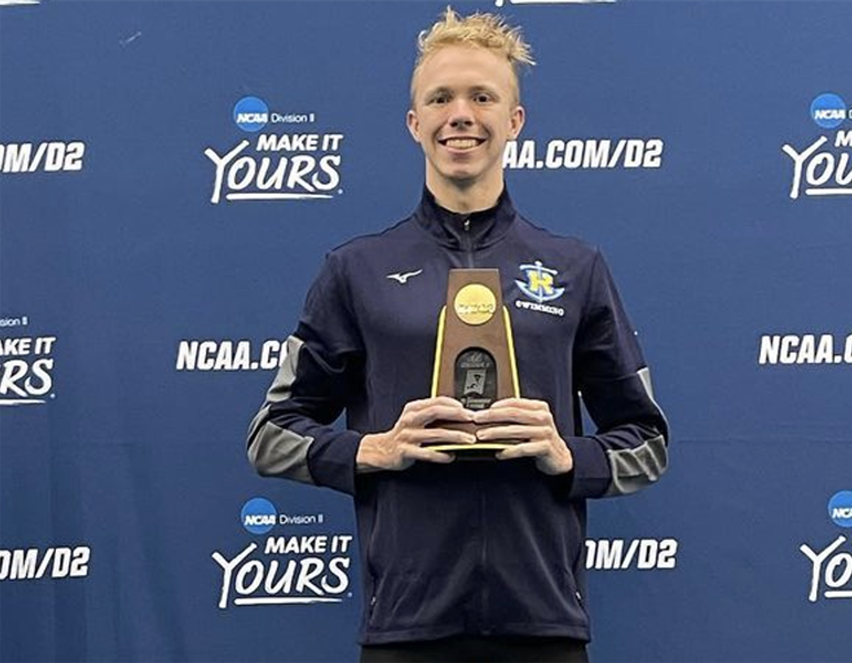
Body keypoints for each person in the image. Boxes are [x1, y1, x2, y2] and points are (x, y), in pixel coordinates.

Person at [247, 8, 668, 663]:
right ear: (415, 123)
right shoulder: (355, 269)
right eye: (439, 97)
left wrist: (569, 455)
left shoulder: (575, 267)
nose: (461, 114)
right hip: (408, 627)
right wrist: (372, 450)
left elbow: (648, 441)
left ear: (514, 121)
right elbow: (270, 436)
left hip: (543, 625)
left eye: (482, 96)